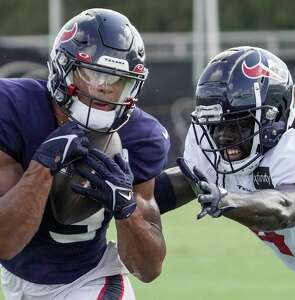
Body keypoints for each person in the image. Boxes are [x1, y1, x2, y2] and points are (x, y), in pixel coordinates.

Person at [0, 8, 170, 299]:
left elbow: (148, 269)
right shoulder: (13, 109)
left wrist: (126, 209)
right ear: (63, 68)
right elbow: (5, 242)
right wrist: (43, 165)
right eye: (93, 73)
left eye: (119, 81)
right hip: (16, 277)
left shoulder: (142, 137)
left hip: (88, 280)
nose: (105, 89)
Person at [154, 46, 295, 273]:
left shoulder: (291, 149)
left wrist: (226, 199)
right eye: (216, 123)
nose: (223, 135)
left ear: (275, 116)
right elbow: (184, 183)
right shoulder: (217, 150)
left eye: (240, 122)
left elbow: (285, 208)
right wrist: (122, 194)